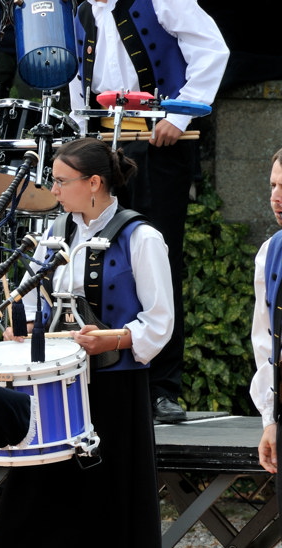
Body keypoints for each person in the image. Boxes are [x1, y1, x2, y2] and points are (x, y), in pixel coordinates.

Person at [0, 137, 172, 548]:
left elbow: (160, 321)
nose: (53, 189)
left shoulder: (141, 236)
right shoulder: (53, 232)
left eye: (60, 181)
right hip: (56, 381)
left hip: (113, 385)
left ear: (94, 184)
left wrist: (113, 337)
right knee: (35, 488)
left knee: (103, 495)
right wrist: (20, 324)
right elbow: (32, 294)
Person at [70, 0, 229, 423]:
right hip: (103, 146)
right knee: (99, 257)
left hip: (160, 145)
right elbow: (77, 82)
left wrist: (180, 112)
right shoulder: (83, 11)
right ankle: (104, 371)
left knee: (159, 259)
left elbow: (213, 48)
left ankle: (161, 387)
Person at [249, 147, 282, 535]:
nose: (276, 196)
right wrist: (270, 419)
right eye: (273, 184)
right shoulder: (270, 252)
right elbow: (266, 344)